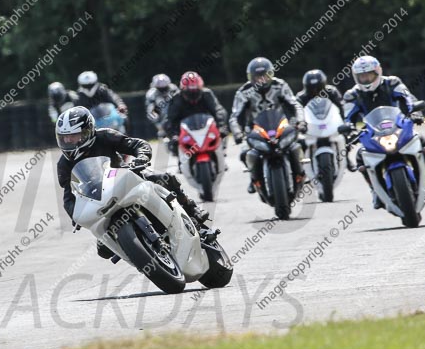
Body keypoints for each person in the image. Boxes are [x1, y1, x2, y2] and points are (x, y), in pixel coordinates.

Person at [55, 106, 216, 258]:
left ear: (88, 131)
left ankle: (194, 213)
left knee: (165, 178)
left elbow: (137, 145)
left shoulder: (104, 136)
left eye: (74, 136)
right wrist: (76, 215)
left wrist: (141, 158)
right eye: (64, 138)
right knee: (103, 250)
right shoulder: (63, 164)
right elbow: (68, 196)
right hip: (99, 201)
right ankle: (136, 251)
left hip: (125, 179)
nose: (68, 141)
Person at [342, 55, 425, 209]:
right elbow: (347, 116)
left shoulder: (392, 82)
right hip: (372, 131)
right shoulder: (351, 94)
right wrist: (348, 131)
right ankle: (374, 189)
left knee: (421, 141)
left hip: (397, 125)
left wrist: (415, 112)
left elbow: (408, 98)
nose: (366, 79)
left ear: (378, 72)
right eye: (362, 76)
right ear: (355, 77)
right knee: (361, 156)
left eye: (369, 75)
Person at [230, 57, 306, 194]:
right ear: (251, 77)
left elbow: (296, 105)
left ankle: (300, 173)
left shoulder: (280, 85)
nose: (261, 80)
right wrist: (237, 132)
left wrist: (301, 121)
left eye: (264, 76)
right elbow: (235, 116)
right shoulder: (243, 92)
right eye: (257, 77)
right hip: (255, 130)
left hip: (280, 125)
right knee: (244, 153)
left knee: (300, 143)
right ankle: (254, 179)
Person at [164, 71, 229, 155]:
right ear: (183, 89)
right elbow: (170, 119)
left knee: (223, 133)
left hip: (207, 128)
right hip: (185, 132)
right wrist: (173, 135)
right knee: (174, 145)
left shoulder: (207, 94)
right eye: (189, 91)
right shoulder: (176, 98)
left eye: (195, 91)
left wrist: (221, 126)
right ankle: (181, 163)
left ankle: (221, 154)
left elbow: (218, 110)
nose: (192, 94)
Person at [145, 74, 179, 139]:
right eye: (160, 89)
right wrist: (159, 126)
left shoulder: (174, 89)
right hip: (161, 119)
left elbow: (180, 103)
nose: (163, 91)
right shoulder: (152, 94)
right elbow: (150, 111)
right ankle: (162, 131)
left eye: (165, 88)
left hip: (175, 115)